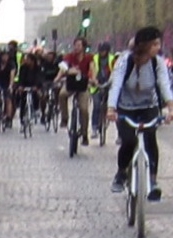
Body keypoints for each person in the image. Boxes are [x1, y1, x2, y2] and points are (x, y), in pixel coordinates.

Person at [106, 26, 173, 199]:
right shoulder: (124, 61)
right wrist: (111, 108)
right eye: (156, 44)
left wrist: (171, 107)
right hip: (125, 107)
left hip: (148, 106)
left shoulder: (157, 62)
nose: (159, 47)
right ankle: (121, 173)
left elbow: (165, 86)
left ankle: (152, 180)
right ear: (145, 45)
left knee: (151, 139)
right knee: (128, 140)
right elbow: (117, 85)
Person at [57, 37, 94, 144]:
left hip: (83, 84)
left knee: (83, 109)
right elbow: (63, 67)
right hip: (71, 83)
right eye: (75, 45)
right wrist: (65, 73)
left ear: (83, 47)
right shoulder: (69, 56)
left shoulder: (88, 57)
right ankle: (64, 118)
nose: (76, 47)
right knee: (62, 95)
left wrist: (93, 79)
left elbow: (92, 68)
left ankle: (84, 134)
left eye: (79, 45)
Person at [0, 40, 18, 126]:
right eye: (3, 56)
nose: (5, 58)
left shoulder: (11, 64)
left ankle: (9, 118)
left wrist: (10, 86)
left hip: (7, 82)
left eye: (6, 56)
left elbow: (12, 76)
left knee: (8, 99)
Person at [13, 51, 44, 126]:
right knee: (23, 100)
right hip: (25, 85)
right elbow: (21, 77)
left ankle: (36, 109)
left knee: (37, 95)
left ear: (32, 60)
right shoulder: (23, 67)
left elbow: (39, 77)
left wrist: (36, 86)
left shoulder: (38, 68)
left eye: (28, 59)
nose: (26, 60)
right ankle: (22, 119)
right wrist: (20, 86)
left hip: (35, 85)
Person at [91, 41, 115, 139]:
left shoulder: (112, 59)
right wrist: (93, 79)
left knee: (113, 107)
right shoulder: (94, 58)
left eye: (103, 51)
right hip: (96, 85)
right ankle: (94, 128)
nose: (101, 53)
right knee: (96, 106)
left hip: (109, 84)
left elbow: (115, 71)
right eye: (100, 51)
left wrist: (111, 81)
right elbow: (91, 70)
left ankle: (120, 135)